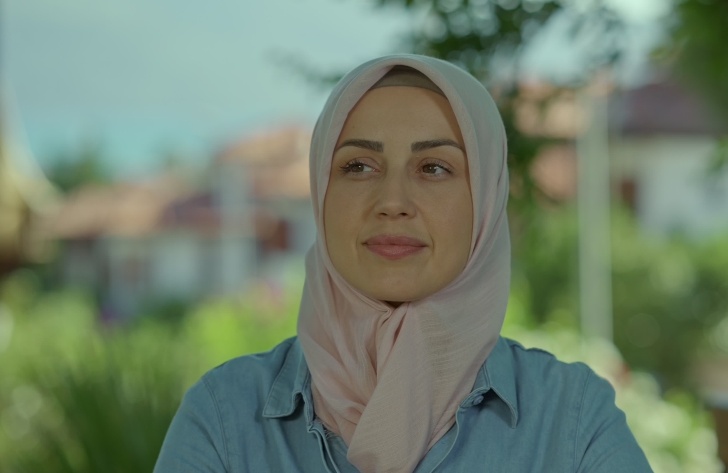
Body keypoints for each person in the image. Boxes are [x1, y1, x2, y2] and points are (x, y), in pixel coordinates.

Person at [154, 54, 652, 473]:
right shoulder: (224, 419)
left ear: (484, 202)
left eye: (433, 167)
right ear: (321, 195)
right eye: (358, 166)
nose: (392, 201)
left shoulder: (571, 421)